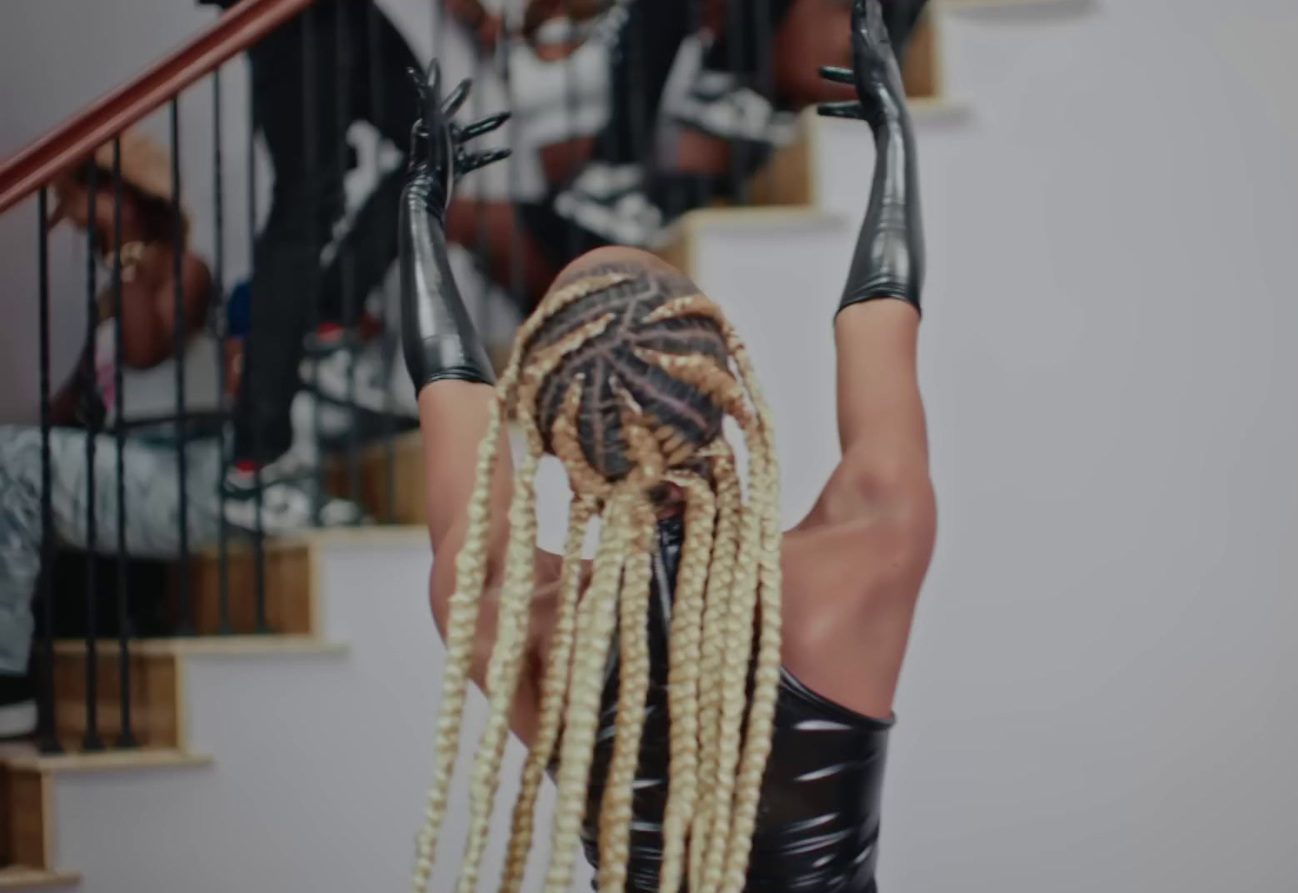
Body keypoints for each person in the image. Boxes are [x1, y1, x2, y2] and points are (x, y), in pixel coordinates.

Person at [402, 0, 934, 886]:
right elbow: (881, 324)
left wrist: (421, 219)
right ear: (726, 387)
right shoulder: (870, 550)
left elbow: (451, 398)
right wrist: (894, 143)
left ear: (550, 430)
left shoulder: (505, 609)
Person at [444, 0, 929, 307]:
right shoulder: (696, 68)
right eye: (843, 10)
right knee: (452, 213)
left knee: (464, 215)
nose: (854, 32)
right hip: (638, 199)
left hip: (657, 196)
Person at [0, 134, 220, 738]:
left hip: (184, 483)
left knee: (11, 461)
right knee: (12, 462)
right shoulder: (113, 295)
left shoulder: (186, 271)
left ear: (124, 199)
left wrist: (124, 245)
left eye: (80, 210)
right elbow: (70, 407)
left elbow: (146, 350)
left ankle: (7, 680)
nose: (76, 230)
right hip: (133, 471)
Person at [199, 0, 427, 528]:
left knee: (435, 147)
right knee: (306, 201)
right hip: (283, 11)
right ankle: (256, 463)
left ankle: (330, 321)